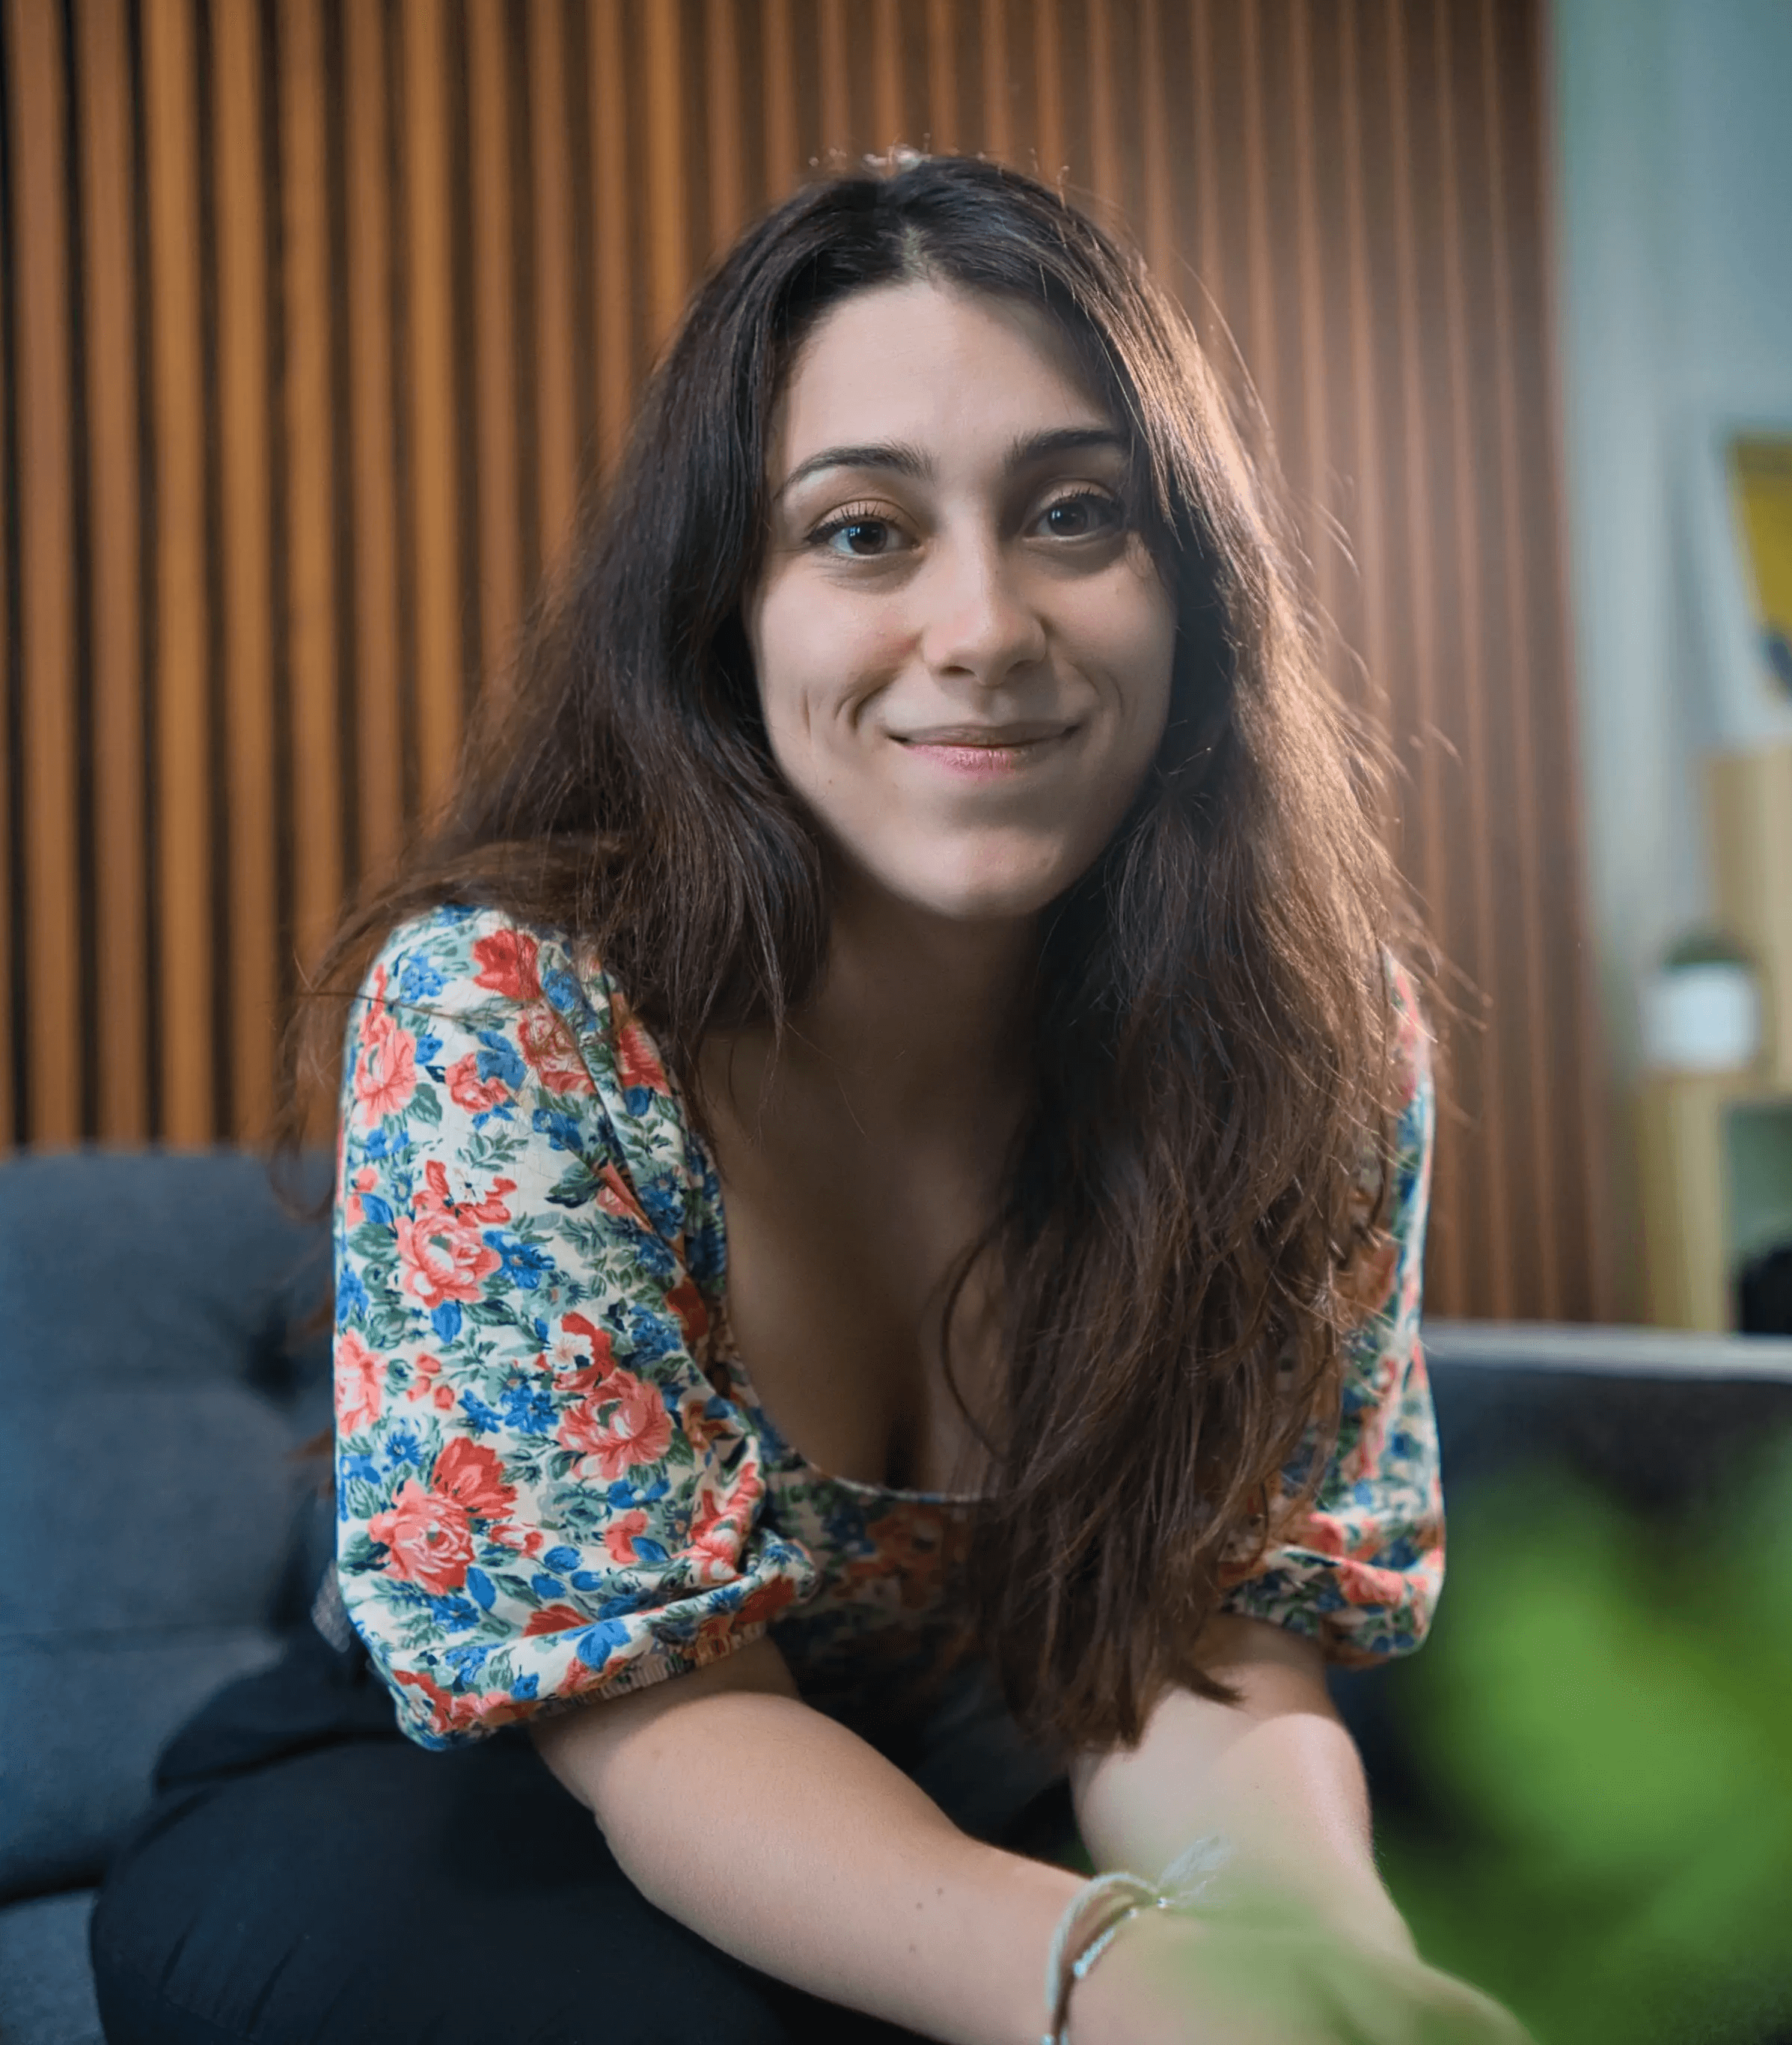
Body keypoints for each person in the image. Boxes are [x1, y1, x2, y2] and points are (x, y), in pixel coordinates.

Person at [93, 155, 1525, 2045]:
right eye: (863, 532)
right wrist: (1101, 1976)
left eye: (1074, 514)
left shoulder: (1310, 1038)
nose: (984, 623)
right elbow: (660, 1716)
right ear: (724, 613)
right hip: (484, 1800)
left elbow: (1194, 1638)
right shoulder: (511, 1005)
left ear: (1188, 591)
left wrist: (1315, 1968)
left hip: (974, 1799)